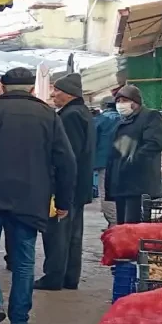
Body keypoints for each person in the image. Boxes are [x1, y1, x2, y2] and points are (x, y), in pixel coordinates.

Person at [0, 67, 76, 324]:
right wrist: (63, 201)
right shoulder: (48, 115)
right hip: (29, 198)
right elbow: (66, 161)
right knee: (23, 260)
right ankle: (19, 322)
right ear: (32, 88)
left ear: (3, 86)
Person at [35, 74, 95, 291]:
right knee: (73, 235)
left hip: (67, 185)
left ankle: (54, 277)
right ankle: (70, 277)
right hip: (79, 185)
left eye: (57, 90)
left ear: (69, 93)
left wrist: (58, 187)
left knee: (57, 233)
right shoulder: (83, 113)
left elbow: (66, 157)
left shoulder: (69, 116)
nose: (53, 94)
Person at [105, 84, 162, 224]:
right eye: (118, 101)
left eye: (125, 100)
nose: (121, 104)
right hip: (121, 183)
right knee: (122, 224)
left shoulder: (150, 116)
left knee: (132, 224)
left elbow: (154, 144)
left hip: (138, 182)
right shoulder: (122, 121)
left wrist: (131, 161)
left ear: (136, 102)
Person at [93, 97, 122, 226]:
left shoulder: (101, 120)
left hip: (104, 163)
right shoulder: (125, 119)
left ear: (103, 106)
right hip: (124, 162)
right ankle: (120, 222)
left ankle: (114, 223)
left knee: (106, 193)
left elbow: (93, 140)